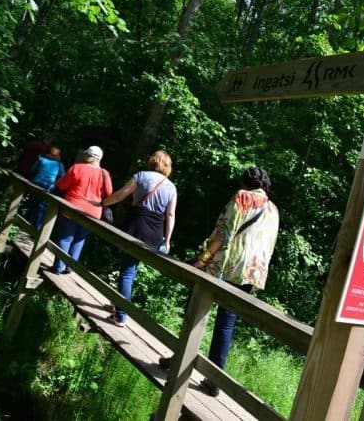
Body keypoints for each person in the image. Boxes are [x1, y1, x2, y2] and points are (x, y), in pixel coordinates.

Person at [163, 166, 279, 397]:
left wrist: (203, 258)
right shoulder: (273, 209)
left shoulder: (241, 197)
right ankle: (214, 380)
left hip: (226, 265)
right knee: (227, 321)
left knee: (197, 308)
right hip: (251, 271)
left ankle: (178, 359)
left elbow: (222, 233)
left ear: (245, 182)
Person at [100, 150, 177, 327]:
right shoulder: (171, 187)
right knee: (132, 270)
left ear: (152, 162)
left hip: (136, 225)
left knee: (127, 270)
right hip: (155, 232)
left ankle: (120, 315)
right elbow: (170, 214)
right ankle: (118, 303)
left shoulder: (141, 176)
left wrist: (103, 203)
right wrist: (167, 240)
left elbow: (121, 194)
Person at [49, 146, 112, 275]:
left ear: (86, 155)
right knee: (79, 239)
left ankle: (58, 267)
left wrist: (57, 182)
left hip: (72, 208)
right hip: (93, 212)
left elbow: (63, 185)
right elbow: (109, 192)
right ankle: (70, 266)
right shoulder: (104, 173)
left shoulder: (77, 167)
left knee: (66, 238)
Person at [25, 146, 66, 229]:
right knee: (41, 207)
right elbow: (62, 176)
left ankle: (24, 222)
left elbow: (32, 169)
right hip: (48, 187)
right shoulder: (59, 165)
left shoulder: (41, 160)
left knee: (31, 203)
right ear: (58, 155)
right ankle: (36, 228)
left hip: (36, 183)